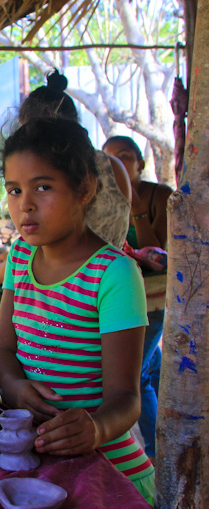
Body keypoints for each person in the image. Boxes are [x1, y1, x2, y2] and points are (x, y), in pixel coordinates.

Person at [0, 118, 155, 504]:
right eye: (14, 190)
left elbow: (126, 398)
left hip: (109, 471)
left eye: (43, 187)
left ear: (85, 189)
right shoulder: (19, 256)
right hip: (38, 464)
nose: (25, 205)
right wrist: (15, 387)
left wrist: (95, 428)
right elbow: (0, 352)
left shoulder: (113, 274)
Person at [0, 69, 132, 286]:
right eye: (15, 191)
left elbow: (60, 261)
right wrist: (16, 261)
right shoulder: (115, 167)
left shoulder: (65, 176)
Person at [103, 135, 173, 461]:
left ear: (140, 164)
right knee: (149, 364)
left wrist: (137, 209)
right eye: (109, 157)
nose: (118, 163)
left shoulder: (162, 196)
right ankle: (163, 437)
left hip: (156, 296)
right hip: (126, 296)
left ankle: (156, 455)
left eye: (126, 156)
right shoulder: (106, 201)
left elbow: (161, 251)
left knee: (139, 374)